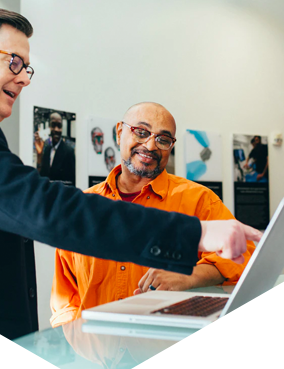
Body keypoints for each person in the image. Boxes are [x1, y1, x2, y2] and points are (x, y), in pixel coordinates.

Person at [0, 7, 262, 369]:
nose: (24, 77)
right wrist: (195, 235)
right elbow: (45, 208)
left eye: (26, 67)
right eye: (13, 61)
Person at [51, 103, 256, 327]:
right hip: (97, 353)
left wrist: (189, 276)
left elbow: (245, 254)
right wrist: (77, 342)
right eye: (141, 132)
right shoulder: (84, 207)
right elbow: (65, 296)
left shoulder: (199, 200)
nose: (150, 145)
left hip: (169, 350)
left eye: (163, 139)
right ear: (120, 132)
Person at [38, 112, 76, 186]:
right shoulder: (47, 149)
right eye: (53, 125)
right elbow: (42, 175)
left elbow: (72, 182)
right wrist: (39, 155)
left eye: (59, 126)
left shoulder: (69, 152)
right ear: (49, 126)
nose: (56, 129)